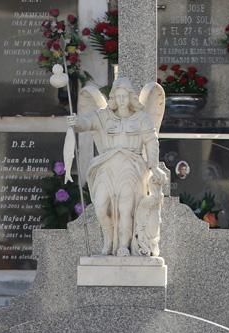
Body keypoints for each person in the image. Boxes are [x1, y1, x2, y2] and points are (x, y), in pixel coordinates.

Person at [67, 77, 166, 257]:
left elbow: (151, 142)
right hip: (106, 168)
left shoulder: (142, 118)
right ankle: (108, 241)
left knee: (125, 209)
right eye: (118, 96)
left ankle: (123, 246)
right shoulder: (103, 116)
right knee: (101, 208)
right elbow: (86, 123)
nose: (121, 100)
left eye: (124, 96)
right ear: (113, 97)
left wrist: (153, 167)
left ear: (130, 98)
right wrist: (76, 123)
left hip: (131, 168)